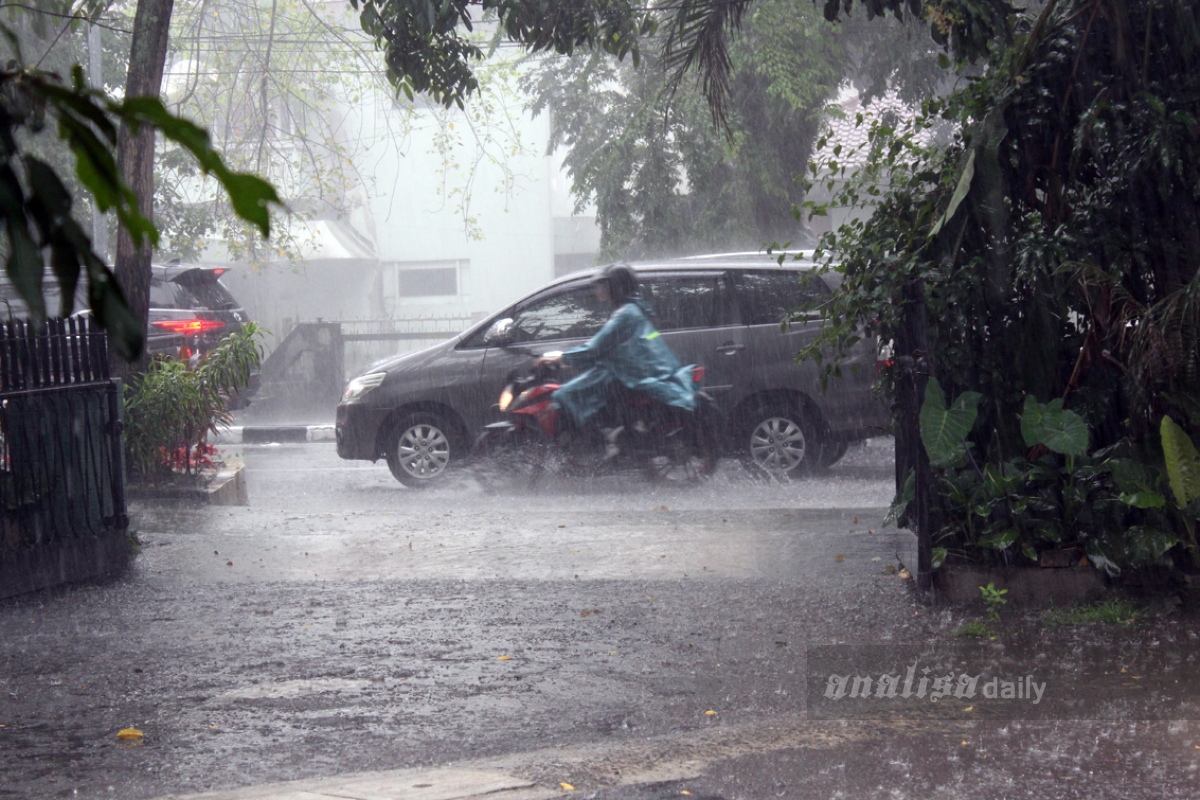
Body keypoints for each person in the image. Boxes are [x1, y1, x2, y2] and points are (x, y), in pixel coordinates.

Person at [537, 264, 697, 451]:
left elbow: (595, 347)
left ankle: (598, 442)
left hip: (630, 373)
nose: (598, 290)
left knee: (564, 394)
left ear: (615, 287)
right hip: (642, 369)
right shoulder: (634, 308)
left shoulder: (625, 314)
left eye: (603, 285)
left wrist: (561, 358)